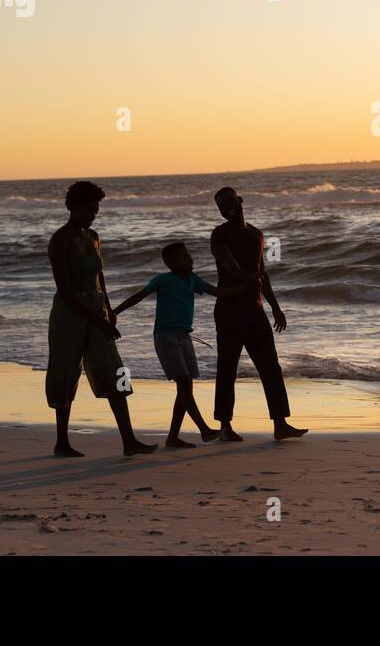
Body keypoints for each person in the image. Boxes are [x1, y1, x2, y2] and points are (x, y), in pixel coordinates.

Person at [45, 180, 157, 458]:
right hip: (70, 314)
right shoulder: (60, 240)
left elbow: (100, 277)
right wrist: (97, 319)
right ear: (74, 207)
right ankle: (62, 442)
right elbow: (65, 290)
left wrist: (109, 310)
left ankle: (129, 440)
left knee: (113, 369)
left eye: (96, 210)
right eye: (89, 209)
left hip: (97, 310)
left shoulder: (93, 236)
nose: (93, 215)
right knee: (66, 373)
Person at [109, 241, 254, 448]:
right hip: (165, 337)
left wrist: (245, 286)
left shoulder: (193, 280)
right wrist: (114, 312)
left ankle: (173, 437)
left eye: (189, 256)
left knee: (185, 387)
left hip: (185, 338)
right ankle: (204, 429)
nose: (190, 260)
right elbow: (139, 296)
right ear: (170, 263)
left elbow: (219, 292)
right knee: (184, 383)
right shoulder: (163, 280)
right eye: (184, 257)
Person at [209, 187, 307, 441]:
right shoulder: (219, 235)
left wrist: (275, 306)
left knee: (270, 366)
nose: (228, 209)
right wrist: (245, 279)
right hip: (229, 310)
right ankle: (224, 426)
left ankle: (280, 423)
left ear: (240, 201)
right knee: (227, 368)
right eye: (222, 207)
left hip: (255, 310)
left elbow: (262, 272)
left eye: (231, 203)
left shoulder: (256, 234)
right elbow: (227, 262)